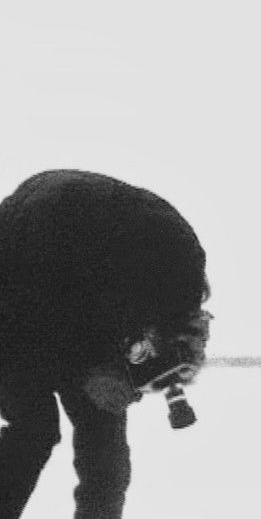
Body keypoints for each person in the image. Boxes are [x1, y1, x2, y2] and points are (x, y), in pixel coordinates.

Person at [0, 170, 211, 519]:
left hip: (63, 267)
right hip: (17, 296)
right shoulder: (69, 264)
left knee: (99, 447)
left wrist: (129, 368)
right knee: (36, 430)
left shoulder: (173, 268)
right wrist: (110, 372)